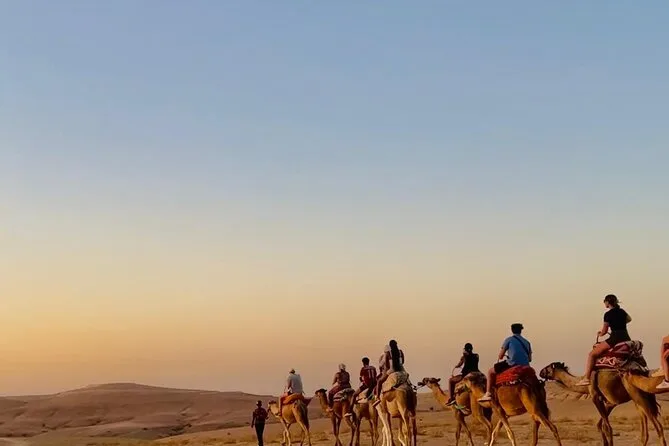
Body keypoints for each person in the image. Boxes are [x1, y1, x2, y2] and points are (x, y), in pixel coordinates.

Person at [576, 294, 632, 386]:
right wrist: (620, 322)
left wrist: (600, 334)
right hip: (626, 337)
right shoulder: (622, 311)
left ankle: (586, 378)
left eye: (605, 302)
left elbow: (604, 331)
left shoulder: (608, 314)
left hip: (615, 338)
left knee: (592, 354)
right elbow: (629, 319)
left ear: (607, 302)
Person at [478, 323, 532, 402]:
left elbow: (500, 356)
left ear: (512, 330)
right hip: (525, 365)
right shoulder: (527, 342)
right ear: (521, 331)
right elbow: (530, 359)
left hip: (512, 363)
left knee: (490, 372)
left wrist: (506, 355)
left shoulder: (509, 340)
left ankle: (488, 393)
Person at [373, 339, 405, 405]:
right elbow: (402, 362)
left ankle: (378, 397)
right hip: (401, 369)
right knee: (406, 378)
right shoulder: (400, 351)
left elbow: (387, 365)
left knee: (379, 381)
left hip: (392, 369)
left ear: (390, 346)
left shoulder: (388, 353)